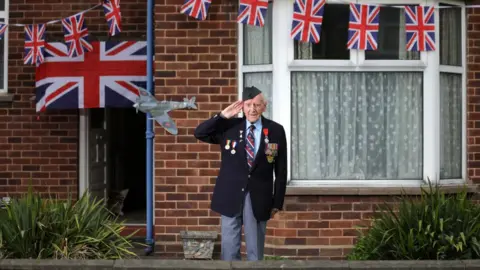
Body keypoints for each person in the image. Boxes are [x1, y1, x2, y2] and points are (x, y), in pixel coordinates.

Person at [193, 86, 288, 261]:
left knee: (255, 251)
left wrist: (277, 201)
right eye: (249, 105)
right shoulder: (229, 126)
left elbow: (281, 169)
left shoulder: (275, 130)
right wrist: (222, 116)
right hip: (230, 194)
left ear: (264, 106)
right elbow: (200, 133)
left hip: (259, 196)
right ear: (242, 106)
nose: (253, 109)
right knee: (229, 249)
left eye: (257, 105)